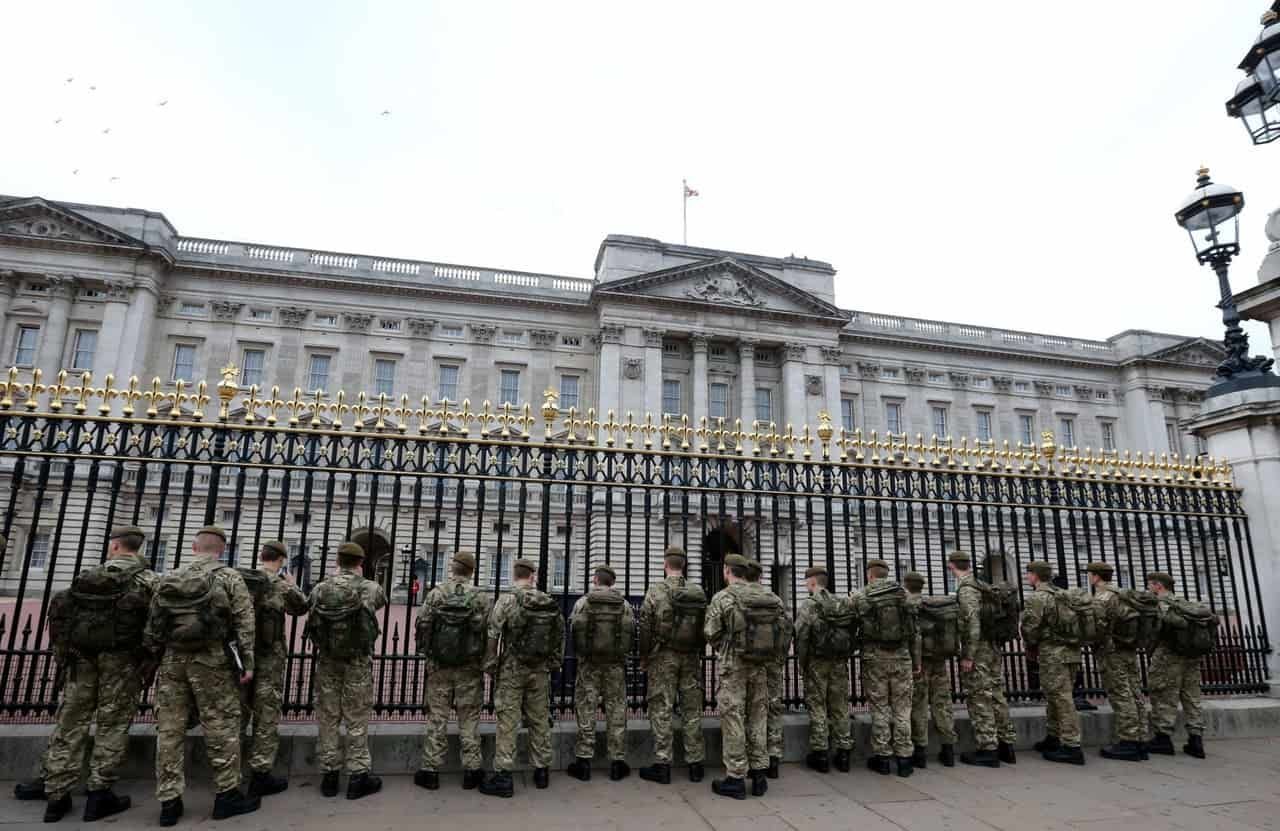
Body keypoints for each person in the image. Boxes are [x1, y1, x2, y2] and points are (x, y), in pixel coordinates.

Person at [40, 525, 158, 822]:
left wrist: (63, 656)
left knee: (70, 723)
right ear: (139, 548)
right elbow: (157, 625)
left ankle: (56, 796)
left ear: (115, 546)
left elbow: (60, 613)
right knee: (112, 725)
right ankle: (98, 794)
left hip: (81, 660)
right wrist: (149, 660)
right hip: (121, 662)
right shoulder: (147, 580)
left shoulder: (87, 576)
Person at [145, 525, 259, 826]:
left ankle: (169, 801)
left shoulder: (169, 576)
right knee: (221, 724)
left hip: (173, 660)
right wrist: (247, 662)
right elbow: (245, 622)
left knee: (169, 729)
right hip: (212, 660)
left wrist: (156, 657)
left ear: (194, 548)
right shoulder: (228, 577)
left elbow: (154, 624)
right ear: (221, 550)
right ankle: (226, 795)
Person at [307, 541, 387, 800]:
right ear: (360, 563)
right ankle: (357, 776)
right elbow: (381, 601)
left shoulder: (320, 589)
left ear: (337, 561)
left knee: (328, 718)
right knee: (357, 718)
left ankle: (329, 777)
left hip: (328, 661)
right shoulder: (370, 587)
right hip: (357, 662)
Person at [480, 558, 565, 799]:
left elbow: (493, 633)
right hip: (539, 670)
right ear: (533, 575)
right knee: (539, 719)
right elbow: (559, 634)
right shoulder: (547, 601)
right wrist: (554, 662)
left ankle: (504, 775)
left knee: (508, 719)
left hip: (512, 668)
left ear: (514, 574)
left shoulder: (507, 600)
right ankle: (542, 771)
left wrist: (490, 663)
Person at [414, 550, 492, 791]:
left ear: (453, 568)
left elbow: (422, 624)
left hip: (440, 667)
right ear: (471, 571)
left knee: (437, 718)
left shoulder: (437, 593)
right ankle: (472, 770)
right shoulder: (480, 597)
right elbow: (489, 632)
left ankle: (430, 770)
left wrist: (427, 652)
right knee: (469, 719)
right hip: (469, 667)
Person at [240, 540, 309, 796]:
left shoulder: (241, 582)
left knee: (238, 715)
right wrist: (291, 583)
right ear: (281, 560)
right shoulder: (278, 585)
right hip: (269, 659)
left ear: (260, 556)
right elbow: (302, 606)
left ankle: (230, 773)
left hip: (239, 659)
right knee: (266, 716)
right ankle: (260, 774)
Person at [705, 553, 775, 799]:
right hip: (760, 665)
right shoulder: (768, 596)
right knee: (758, 716)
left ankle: (735, 777)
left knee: (733, 716)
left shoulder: (723, 597)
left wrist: (726, 647)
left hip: (733, 666)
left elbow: (711, 632)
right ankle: (759, 775)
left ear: (726, 571)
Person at [638, 545, 707, 785]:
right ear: (684, 565)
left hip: (663, 656)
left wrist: (644, 656)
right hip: (690, 657)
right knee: (691, 710)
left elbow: (645, 626)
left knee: (661, 708)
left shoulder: (656, 591)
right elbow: (704, 627)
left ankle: (663, 764)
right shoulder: (697, 591)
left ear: (665, 565)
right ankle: (695, 764)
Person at [849, 558, 918, 777]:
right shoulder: (903, 595)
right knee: (902, 708)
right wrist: (916, 661)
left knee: (879, 708)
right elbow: (915, 632)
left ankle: (883, 757)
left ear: (870, 575)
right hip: (902, 657)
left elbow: (851, 625)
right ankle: (905, 757)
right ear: (886, 574)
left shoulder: (862, 595)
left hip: (874, 658)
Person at [567, 564, 635, 782]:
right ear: (612, 582)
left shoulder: (583, 602)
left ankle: (584, 761)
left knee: (586, 709)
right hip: (615, 665)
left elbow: (572, 630)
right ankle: (616, 762)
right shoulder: (623, 605)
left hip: (589, 664)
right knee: (616, 710)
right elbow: (632, 633)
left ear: (595, 580)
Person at [951, 552, 1017, 768]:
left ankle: (988, 747)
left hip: (979, 650)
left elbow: (972, 623)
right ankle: (1007, 745)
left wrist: (968, 654)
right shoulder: (982, 585)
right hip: (992, 647)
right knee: (997, 693)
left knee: (980, 696)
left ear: (951, 566)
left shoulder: (968, 589)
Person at [1021, 561, 1084, 765]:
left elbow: (1031, 627)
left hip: (1053, 654)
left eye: (1029, 573)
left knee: (1061, 698)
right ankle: (1054, 736)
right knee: (1057, 696)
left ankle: (1071, 745)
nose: (1027, 577)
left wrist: (1030, 645)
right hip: (1072, 652)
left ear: (1036, 576)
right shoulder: (1062, 594)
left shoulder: (1038, 597)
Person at [794, 565, 853, 774]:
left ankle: (821, 755)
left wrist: (802, 663)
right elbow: (852, 629)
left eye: (806, 581)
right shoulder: (842, 603)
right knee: (840, 706)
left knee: (817, 706)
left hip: (817, 663)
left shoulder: (809, 605)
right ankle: (844, 753)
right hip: (839, 662)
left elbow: (801, 637)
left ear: (812, 582)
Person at [1087, 562, 1146, 762]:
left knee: (1121, 694)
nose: (1089, 577)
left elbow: (1097, 628)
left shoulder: (1103, 596)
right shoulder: (1123, 593)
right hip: (1128, 649)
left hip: (1112, 651)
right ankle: (1141, 738)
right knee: (1134, 692)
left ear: (1095, 577)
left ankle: (1129, 741)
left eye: (1090, 574)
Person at [1145, 572, 1207, 759]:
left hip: (1168, 656)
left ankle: (1163, 739)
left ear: (1158, 586)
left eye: (1150, 584)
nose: (1148, 588)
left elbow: (1155, 630)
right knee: (1192, 697)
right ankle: (1196, 740)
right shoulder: (1185, 603)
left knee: (1164, 695)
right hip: (1191, 656)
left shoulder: (1161, 605)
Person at [903, 570, 957, 769]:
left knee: (918, 705)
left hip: (920, 663)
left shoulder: (911, 606)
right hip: (939, 661)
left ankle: (920, 750)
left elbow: (913, 636)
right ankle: (948, 748)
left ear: (906, 585)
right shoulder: (935, 606)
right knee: (942, 704)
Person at [745, 558, 792, 780]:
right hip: (772, 662)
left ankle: (750, 757)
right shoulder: (775, 600)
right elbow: (786, 630)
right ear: (761, 577)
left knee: (748, 710)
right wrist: (779, 657)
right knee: (773, 708)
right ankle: (773, 757)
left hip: (747, 662)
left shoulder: (740, 598)